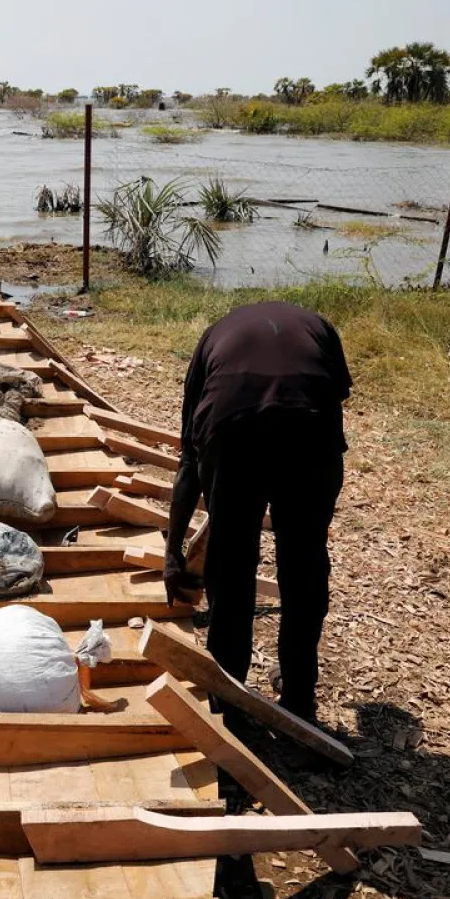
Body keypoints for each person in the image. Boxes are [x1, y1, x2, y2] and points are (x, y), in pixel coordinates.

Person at [163, 301, 351, 722]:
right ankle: (299, 695)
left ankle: (229, 697)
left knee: (230, 568)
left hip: (232, 430)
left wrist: (172, 553)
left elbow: (190, 461)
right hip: (310, 429)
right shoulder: (319, 325)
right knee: (303, 564)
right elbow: (334, 397)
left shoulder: (213, 337)